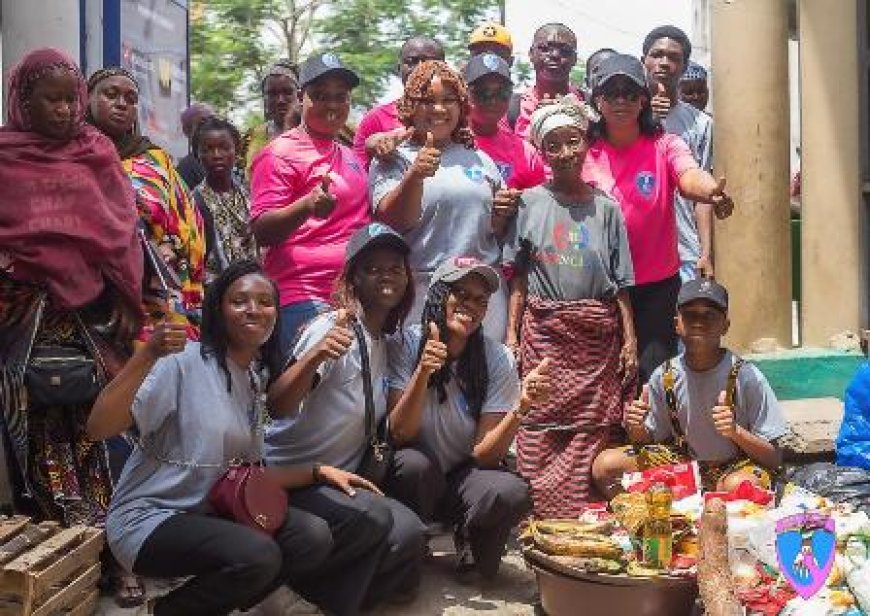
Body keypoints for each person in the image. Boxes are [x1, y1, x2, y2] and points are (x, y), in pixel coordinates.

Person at [89, 261, 381, 616]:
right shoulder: (183, 361)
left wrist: (318, 471)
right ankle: (167, 611)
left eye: (264, 301)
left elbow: (244, 476)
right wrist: (147, 355)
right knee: (258, 555)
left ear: (276, 314)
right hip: (151, 519)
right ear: (218, 309)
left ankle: (234, 605)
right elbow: (99, 428)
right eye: (239, 300)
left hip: (212, 513)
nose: (253, 309)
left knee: (311, 536)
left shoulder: (251, 381)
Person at [0, 47, 144, 605]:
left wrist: (128, 297)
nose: (64, 111)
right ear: (22, 101)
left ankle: (112, 557)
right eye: (51, 100)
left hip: (90, 324)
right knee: (37, 447)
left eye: (70, 100)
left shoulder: (96, 152)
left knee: (102, 443)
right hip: (23, 326)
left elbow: (120, 232)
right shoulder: (6, 156)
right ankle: (59, 564)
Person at [265, 223, 424, 613]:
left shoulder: (385, 342)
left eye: (395, 267)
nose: (386, 274)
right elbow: (278, 405)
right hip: (291, 475)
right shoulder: (332, 329)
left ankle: (321, 594)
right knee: (372, 520)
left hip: (340, 479)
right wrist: (316, 356)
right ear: (353, 277)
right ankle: (278, 588)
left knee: (409, 534)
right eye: (373, 267)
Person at [505, 98, 637, 517]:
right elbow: (519, 277)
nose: (564, 153)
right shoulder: (527, 204)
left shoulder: (608, 209)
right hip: (545, 334)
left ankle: (585, 515)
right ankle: (544, 515)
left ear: (586, 145)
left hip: (596, 341)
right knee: (538, 423)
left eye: (573, 142)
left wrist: (630, 340)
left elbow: (620, 284)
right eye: (553, 145)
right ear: (541, 153)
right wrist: (511, 334)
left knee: (593, 429)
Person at [386, 257, 547, 581]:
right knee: (413, 464)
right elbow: (399, 433)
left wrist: (522, 407)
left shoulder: (496, 357)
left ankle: (469, 538)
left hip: (463, 473)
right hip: (416, 472)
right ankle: (413, 540)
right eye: (460, 294)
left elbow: (485, 454)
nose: (470, 305)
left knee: (509, 490)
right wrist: (424, 371)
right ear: (438, 296)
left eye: (480, 300)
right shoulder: (406, 343)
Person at [582, 54, 733, 384]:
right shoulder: (582, 149)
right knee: (604, 380)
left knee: (654, 379)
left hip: (655, 287)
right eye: (611, 92)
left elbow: (689, 174)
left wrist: (712, 191)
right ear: (597, 100)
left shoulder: (665, 144)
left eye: (630, 92)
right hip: (598, 288)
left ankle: (654, 436)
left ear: (644, 100)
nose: (621, 100)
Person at [592, 279, 788, 498]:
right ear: (677, 324)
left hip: (736, 468)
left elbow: (774, 458)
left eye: (709, 315)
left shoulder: (747, 377)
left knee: (736, 487)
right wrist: (635, 426)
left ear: (725, 325)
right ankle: (641, 519)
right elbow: (648, 440)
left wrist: (735, 432)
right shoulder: (665, 376)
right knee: (605, 466)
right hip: (685, 466)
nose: (698, 322)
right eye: (690, 315)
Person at [371, 60, 510, 340]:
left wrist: (503, 213)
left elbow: (495, 233)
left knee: (479, 377)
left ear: (461, 106)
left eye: (449, 100)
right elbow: (392, 220)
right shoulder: (393, 156)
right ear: (411, 106)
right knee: (423, 377)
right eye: (427, 101)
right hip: (422, 291)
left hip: (481, 293)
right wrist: (415, 175)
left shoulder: (481, 159)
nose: (438, 109)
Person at [251, 52, 370, 351]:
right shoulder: (279, 153)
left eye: (340, 97)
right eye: (320, 96)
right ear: (301, 98)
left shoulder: (349, 154)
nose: (331, 105)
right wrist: (306, 206)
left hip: (353, 297)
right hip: (304, 301)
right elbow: (262, 229)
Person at [87, 67, 205, 340]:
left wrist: (170, 246)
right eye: (111, 94)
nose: (121, 104)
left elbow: (188, 220)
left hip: (157, 293)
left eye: (130, 98)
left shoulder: (155, 159)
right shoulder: (71, 155)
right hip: (94, 294)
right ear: (88, 99)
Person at [643, 25, 715, 281]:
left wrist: (705, 253)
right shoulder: (624, 116)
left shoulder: (701, 124)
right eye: (657, 55)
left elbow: (702, 198)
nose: (663, 63)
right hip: (636, 252)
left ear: (684, 67)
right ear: (644, 61)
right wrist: (647, 118)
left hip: (684, 252)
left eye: (673, 57)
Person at [353, 36, 444, 169]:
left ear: (445, 69)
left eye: (429, 62)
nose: (419, 69)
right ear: (399, 68)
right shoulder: (375, 119)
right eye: (411, 61)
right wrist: (374, 146)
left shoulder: (455, 117)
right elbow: (358, 177)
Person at [465, 53, 546, 195]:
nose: (493, 101)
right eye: (483, 93)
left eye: (502, 92)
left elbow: (536, 209)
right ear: (464, 94)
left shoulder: (526, 154)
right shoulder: (446, 144)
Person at [190, 116, 257, 279]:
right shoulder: (193, 202)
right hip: (214, 291)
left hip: (255, 283)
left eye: (224, 147)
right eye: (208, 149)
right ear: (198, 154)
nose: (217, 155)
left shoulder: (251, 194)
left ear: (237, 150)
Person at [510, 23, 584, 137]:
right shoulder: (511, 108)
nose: (555, 55)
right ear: (531, 54)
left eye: (564, 50)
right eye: (545, 48)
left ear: (574, 59)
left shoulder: (589, 105)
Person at [244, 61, 301, 178]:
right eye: (272, 94)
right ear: (264, 98)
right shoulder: (251, 137)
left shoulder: (317, 132)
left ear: (299, 95)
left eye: (287, 92)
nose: (280, 100)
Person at [175, 102, 215, 190]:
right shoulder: (186, 169)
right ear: (187, 131)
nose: (211, 126)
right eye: (203, 123)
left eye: (214, 120)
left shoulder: (225, 161)